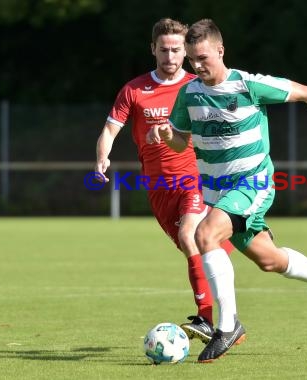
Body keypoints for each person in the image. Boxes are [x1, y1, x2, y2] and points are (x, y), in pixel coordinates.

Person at [147, 19, 307, 363]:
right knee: (270, 260)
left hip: (252, 183)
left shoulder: (248, 84)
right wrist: (166, 136)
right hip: (218, 193)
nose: (197, 65)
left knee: (205, 234)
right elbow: (180, 143)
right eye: (192, 59)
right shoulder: (189, 93)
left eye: (203, 57)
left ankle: (227, 326)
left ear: (221, 51)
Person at [94, 18, 232, 344]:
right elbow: (111, 128)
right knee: (199, 247)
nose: (170, 57)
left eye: (176, 50)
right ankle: (239, 235)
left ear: (185, 51)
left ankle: (209, 320)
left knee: (190, 236)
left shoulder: (197, 86)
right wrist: (102, 157)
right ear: (153, 49)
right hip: (157, 188)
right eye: (164, 50)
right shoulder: (134, 90)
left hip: (193, 179)